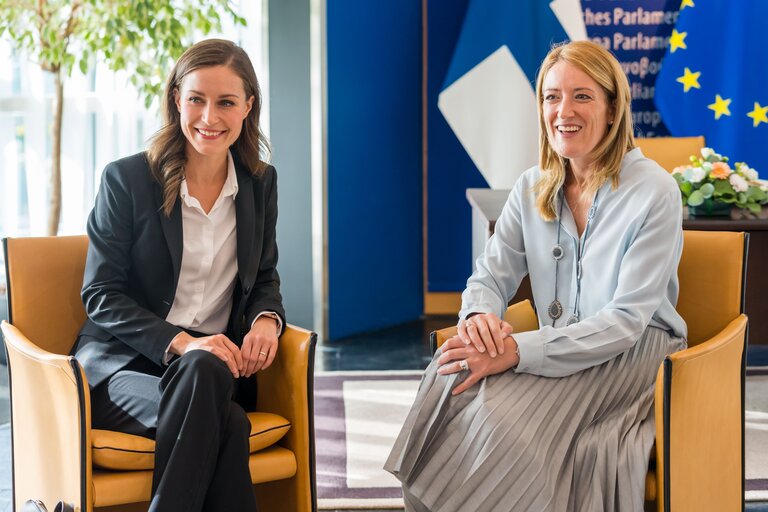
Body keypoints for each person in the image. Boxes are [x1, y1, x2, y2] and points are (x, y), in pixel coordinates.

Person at [385, 40, 687, 511]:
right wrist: (481, 318)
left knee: (504, 423)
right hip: (556, 342)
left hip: (632, 353)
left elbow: (626, 322)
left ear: (612, 109)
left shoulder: (656, 191)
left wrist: (513, 351)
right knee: (450, 376)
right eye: (551, 96)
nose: (563, 110)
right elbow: (489, 275)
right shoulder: (532, 185)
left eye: (582, 96)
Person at [72, 39, 284, 512]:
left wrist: (267, 318)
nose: (209, 117)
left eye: (226, 102)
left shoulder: (259, 183)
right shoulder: (127, 180)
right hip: (121, 372)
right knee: (226, 420)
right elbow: (100, 295)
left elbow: (264, 276)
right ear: (176, 100)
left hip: (211, 374)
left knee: (210, 382)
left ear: (248, 107)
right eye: (196, 99)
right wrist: (185, 343)